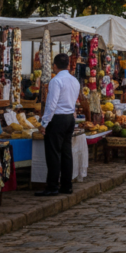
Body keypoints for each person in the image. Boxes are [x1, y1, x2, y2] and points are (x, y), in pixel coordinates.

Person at [36, 54, 79, 197]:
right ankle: (67, 185)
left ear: (54, 66)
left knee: (53, 153)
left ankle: (53, 186)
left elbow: (51, 105)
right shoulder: (74, 81)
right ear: (68, 65)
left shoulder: (56, 81)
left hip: (58, 119)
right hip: (69, 118)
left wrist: (44, 123)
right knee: (66, 152)